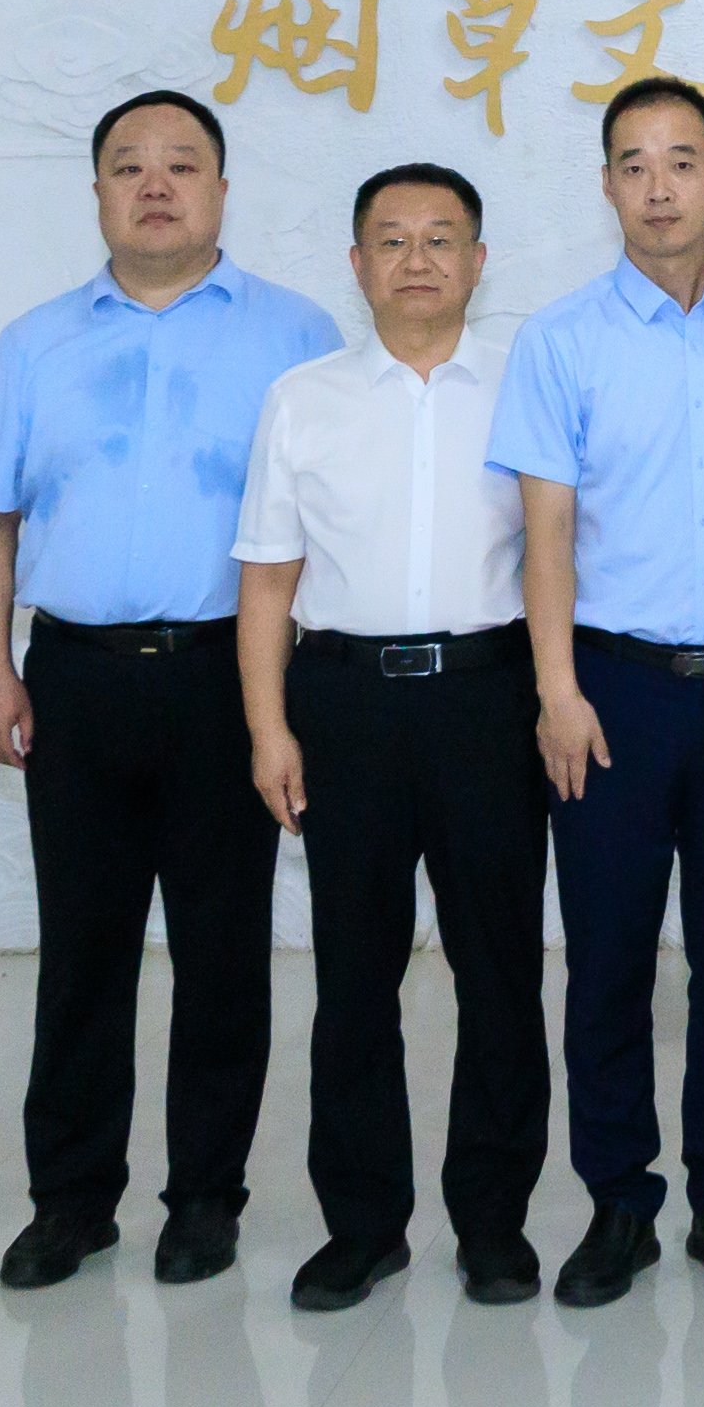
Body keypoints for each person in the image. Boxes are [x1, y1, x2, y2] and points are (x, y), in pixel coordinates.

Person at [0, 90, 341, 1291]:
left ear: (223, 189)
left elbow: (335, 518)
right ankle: (70, 1201)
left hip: (233, 676)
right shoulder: (36, 344)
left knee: (224, 953)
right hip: (75, 678)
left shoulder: (297, 335)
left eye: (182, 164)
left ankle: (205, 1200)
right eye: (130, 166)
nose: (157, 185)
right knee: (84, 952)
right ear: (98, 194)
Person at [489, 77, 704, 1308]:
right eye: (635, 164)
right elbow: (545, 536)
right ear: (607, 185)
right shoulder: (560, 340)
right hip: (611, 692)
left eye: (682, 161)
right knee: (609, 960)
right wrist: (556, 692)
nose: (660, 187)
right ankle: (620, 1202)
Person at [233, 162, 548, 1310]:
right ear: (358, 263)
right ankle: (362, 1226)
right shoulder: (302, 397)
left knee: (499, 971)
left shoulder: (526, 384)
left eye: (442, 237)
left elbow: (565, 556)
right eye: (394, 239)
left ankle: (494, 1224)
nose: (418, 259)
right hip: (346, 704)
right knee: (355, 976)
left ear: (479, 260)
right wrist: (268, 728)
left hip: (488, 699)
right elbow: (267, 580)